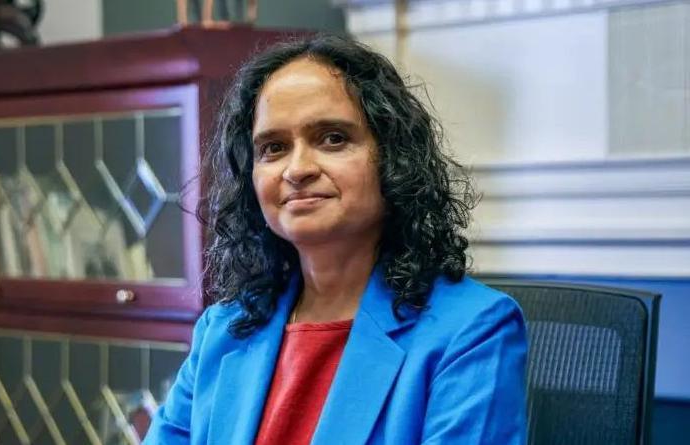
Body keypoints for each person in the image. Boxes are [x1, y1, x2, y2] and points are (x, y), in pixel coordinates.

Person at [143, 34, 527, 445]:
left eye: (333, 138)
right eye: (273, 147)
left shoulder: (472, 330)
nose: (298, 169)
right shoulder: (222, 331)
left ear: (393, 160)